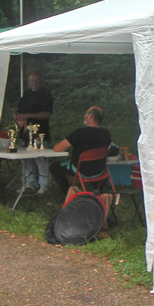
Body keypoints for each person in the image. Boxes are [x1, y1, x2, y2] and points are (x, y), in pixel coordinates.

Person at [50, 106, 114, 238]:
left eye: (86, 113)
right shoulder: (106, 133)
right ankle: (96, 192)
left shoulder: (80, 133)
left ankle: (69, 192)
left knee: (54, 166)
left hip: (81, 170)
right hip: (100, 171)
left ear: (90, 117)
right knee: (93, 168)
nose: (85, 116)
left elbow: (58, 148)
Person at [14, 72, 53, 194]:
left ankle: (44, 186)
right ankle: (29, 183)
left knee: (40, 159)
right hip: (25, 132)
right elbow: (18, 110)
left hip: (40, 132)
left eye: (36, 80)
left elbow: (46, 114)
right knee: (26, 159)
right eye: (32, 80)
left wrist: (29, 115)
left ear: (41, 81)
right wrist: (17, 116)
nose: (34, 82)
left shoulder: (46, 95)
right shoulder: (26, 94)